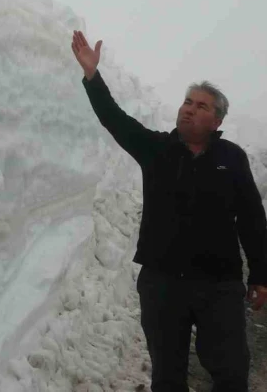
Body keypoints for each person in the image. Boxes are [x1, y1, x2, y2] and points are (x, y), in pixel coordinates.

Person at [71, 30, 267, 391]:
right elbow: (115, 119)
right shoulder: (156, 149)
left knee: (231, 372)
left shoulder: (232, 158)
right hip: (162, 284)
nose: (189, 108)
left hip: (219, 285)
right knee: (167, 375)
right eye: (187, 102)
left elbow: (253, 219)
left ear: (217, 121)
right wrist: (92, 77)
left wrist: (260, 274)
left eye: (201, 106)